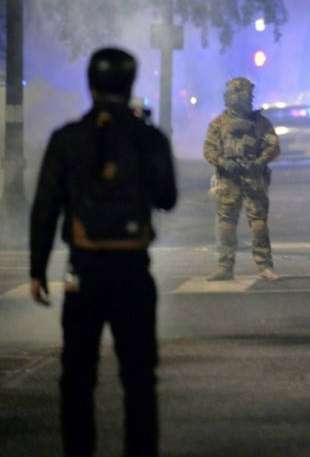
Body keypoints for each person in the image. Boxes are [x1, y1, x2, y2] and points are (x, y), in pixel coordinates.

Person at [30, 47, 177, 456]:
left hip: (84, 271)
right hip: (133, 271)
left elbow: (45, 207)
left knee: (77, 377)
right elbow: (168, 198)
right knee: (139, 378)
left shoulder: (67, 139)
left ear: (90, 85)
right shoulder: (148, 137)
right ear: (131, 85)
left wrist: (37, 269)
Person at [203, 77, 280, 281]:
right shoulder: (218, 123)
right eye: (234, 93)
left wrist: (259, 162)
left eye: (241, 93)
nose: (237, 97)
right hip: (228, 178)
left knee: (258, 222)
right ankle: (225, 266)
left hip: (253, 177)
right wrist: (221, 161)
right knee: (226, 222)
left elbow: (273, 146)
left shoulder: (260, 123)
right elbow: (209, 149)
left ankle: (264, 265)